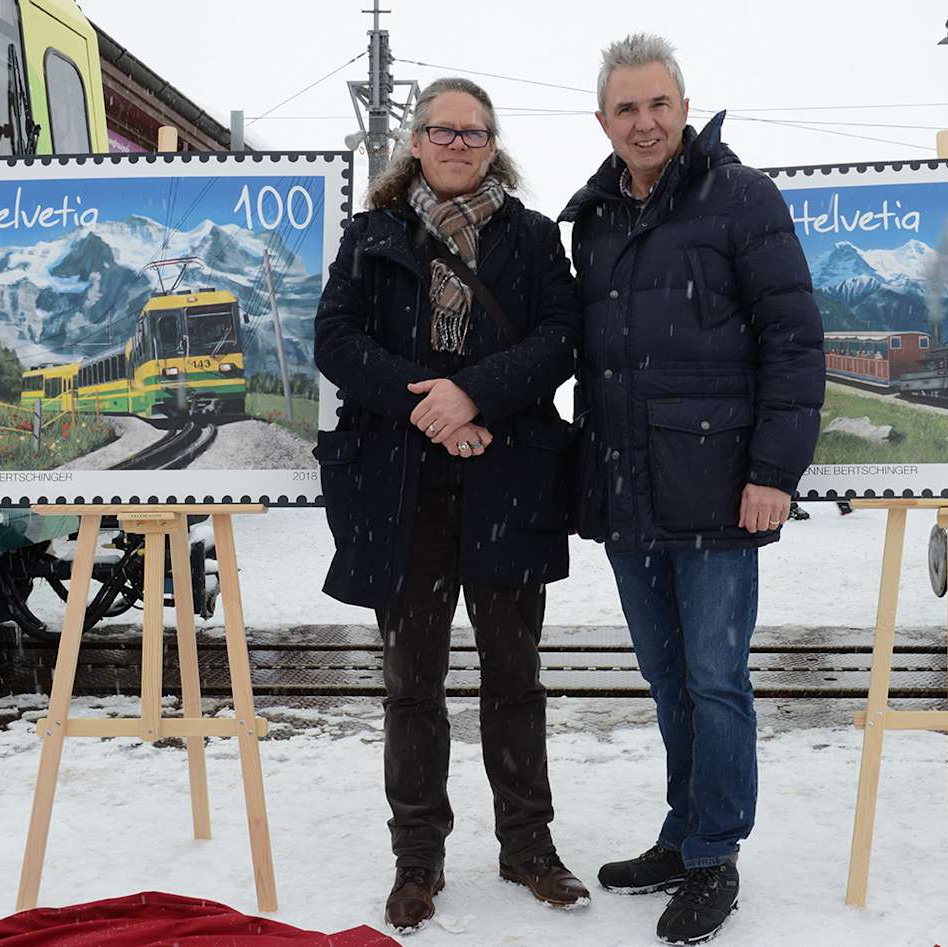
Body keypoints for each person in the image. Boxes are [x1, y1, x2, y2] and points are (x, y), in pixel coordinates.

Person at [560, 33, 825, 946]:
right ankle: (683, 832)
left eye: (658, 104)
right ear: (603, 121)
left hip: (719, 486)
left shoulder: (741, 198)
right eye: (626, 109)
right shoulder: (593, 217)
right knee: (669, 678)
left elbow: (793, 341)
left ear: (684, 105)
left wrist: (772, 472)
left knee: (717, 680)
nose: (645, 122)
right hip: (630, 489)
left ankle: (717, 854)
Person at [313, 77, 588, 934]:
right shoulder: (372, 236)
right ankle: (417, 857)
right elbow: (336, 340)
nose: (459, 144)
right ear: (416, 141)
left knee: (516, 677)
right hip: (402, 491)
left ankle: (527, 845)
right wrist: (424, 404)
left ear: (494, 143)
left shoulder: (536, 238)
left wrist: (470, 396)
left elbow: (560, 339)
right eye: (443, 129)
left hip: (508, 481)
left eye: (475, 132)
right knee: (412, 685)